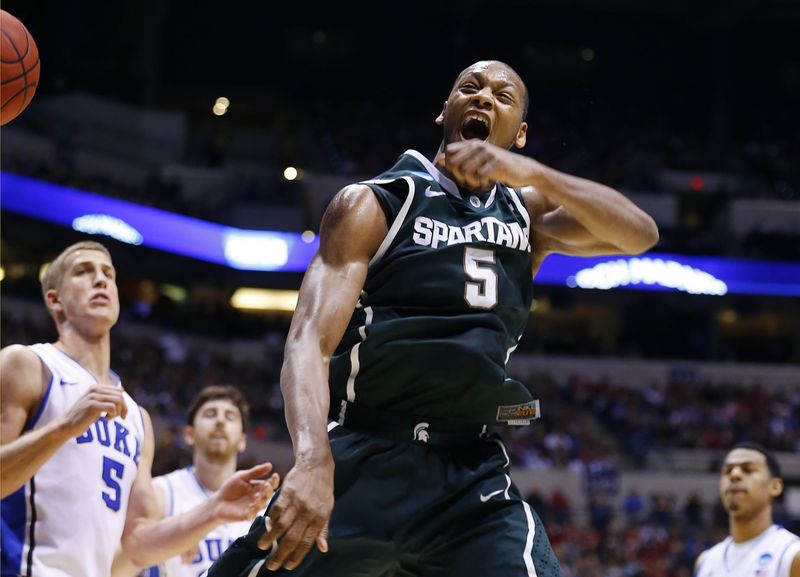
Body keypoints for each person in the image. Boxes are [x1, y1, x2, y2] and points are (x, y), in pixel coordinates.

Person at [207, 59, 659, 577]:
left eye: (502, 96)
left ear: (521, 134)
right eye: (470, 88)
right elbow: (308, 343)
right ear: (444, 111)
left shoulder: (528, 216)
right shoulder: (377, 203)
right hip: (366, 455)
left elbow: (639, 233)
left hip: (468, 475)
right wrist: (312, 460)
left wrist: (536, 176)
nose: (484, 97)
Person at [0, 240, 279, 577]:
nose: (100, 280)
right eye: (83, 272)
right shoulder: (27, 365)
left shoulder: (136, 418)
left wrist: (214, 510)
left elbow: (137, 543)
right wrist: (65, 427)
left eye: (108, 274)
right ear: (54, 300)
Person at [112, 385, 262, 577]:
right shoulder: (161, 492)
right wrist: (170, 536)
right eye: (210, 414)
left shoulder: (261, 503)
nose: (220, 421)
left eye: (230, 416)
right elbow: (114, 570)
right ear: (189, 435)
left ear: (243, 441)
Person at [694, 442, 800, 577]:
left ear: (775, 486)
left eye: (748, 469)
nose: (734, 475)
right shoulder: (705, 561)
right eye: (727, 470)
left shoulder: (792, 554)